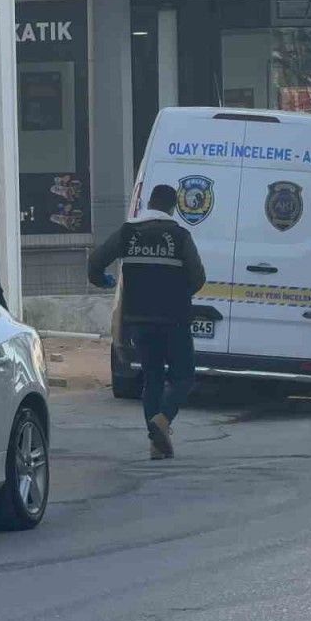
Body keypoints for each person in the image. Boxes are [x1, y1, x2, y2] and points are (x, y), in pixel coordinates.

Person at [88, 184, 206, 460]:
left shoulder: (128, 233)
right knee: (184, 376)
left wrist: (103, 281)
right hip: (174, 319)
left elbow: (95, 261)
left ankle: (156, 445)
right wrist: (179, 294)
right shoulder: (180, 236)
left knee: (152, 379)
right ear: (172, 207)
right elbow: (198, 277)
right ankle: (163, 420)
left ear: (149, 204)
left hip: (139, 320)